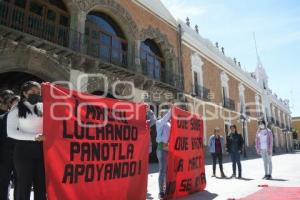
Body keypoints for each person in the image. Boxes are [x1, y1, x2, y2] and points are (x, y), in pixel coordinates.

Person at [7, 81, 46, 200]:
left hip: (42, 150)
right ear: (24, 93)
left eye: (38, 92)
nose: (36, 94)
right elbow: (11, 132)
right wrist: (34, 137)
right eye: (32, 91)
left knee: (41, 186)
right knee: (24, 185)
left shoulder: (44, 107)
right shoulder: (17, 109)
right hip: (24, 150)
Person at [0, 90, 18, 200]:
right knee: (3, 182)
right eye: (15, 104)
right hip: (4, 156)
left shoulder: (26, 120)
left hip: (20, 157)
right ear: (10, 104)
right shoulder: (1, 119)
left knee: (20, 183)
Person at [156, 109, 171, 199]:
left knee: (166, 170)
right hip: (161, 148)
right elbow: (166, 118)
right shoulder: (159, 122)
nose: (166, 115)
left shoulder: (169, 124)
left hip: (169, 148)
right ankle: (161, 192)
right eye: (164, 113)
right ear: (161, 114)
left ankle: (165, 189)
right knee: (162, 170)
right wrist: (171, 110)